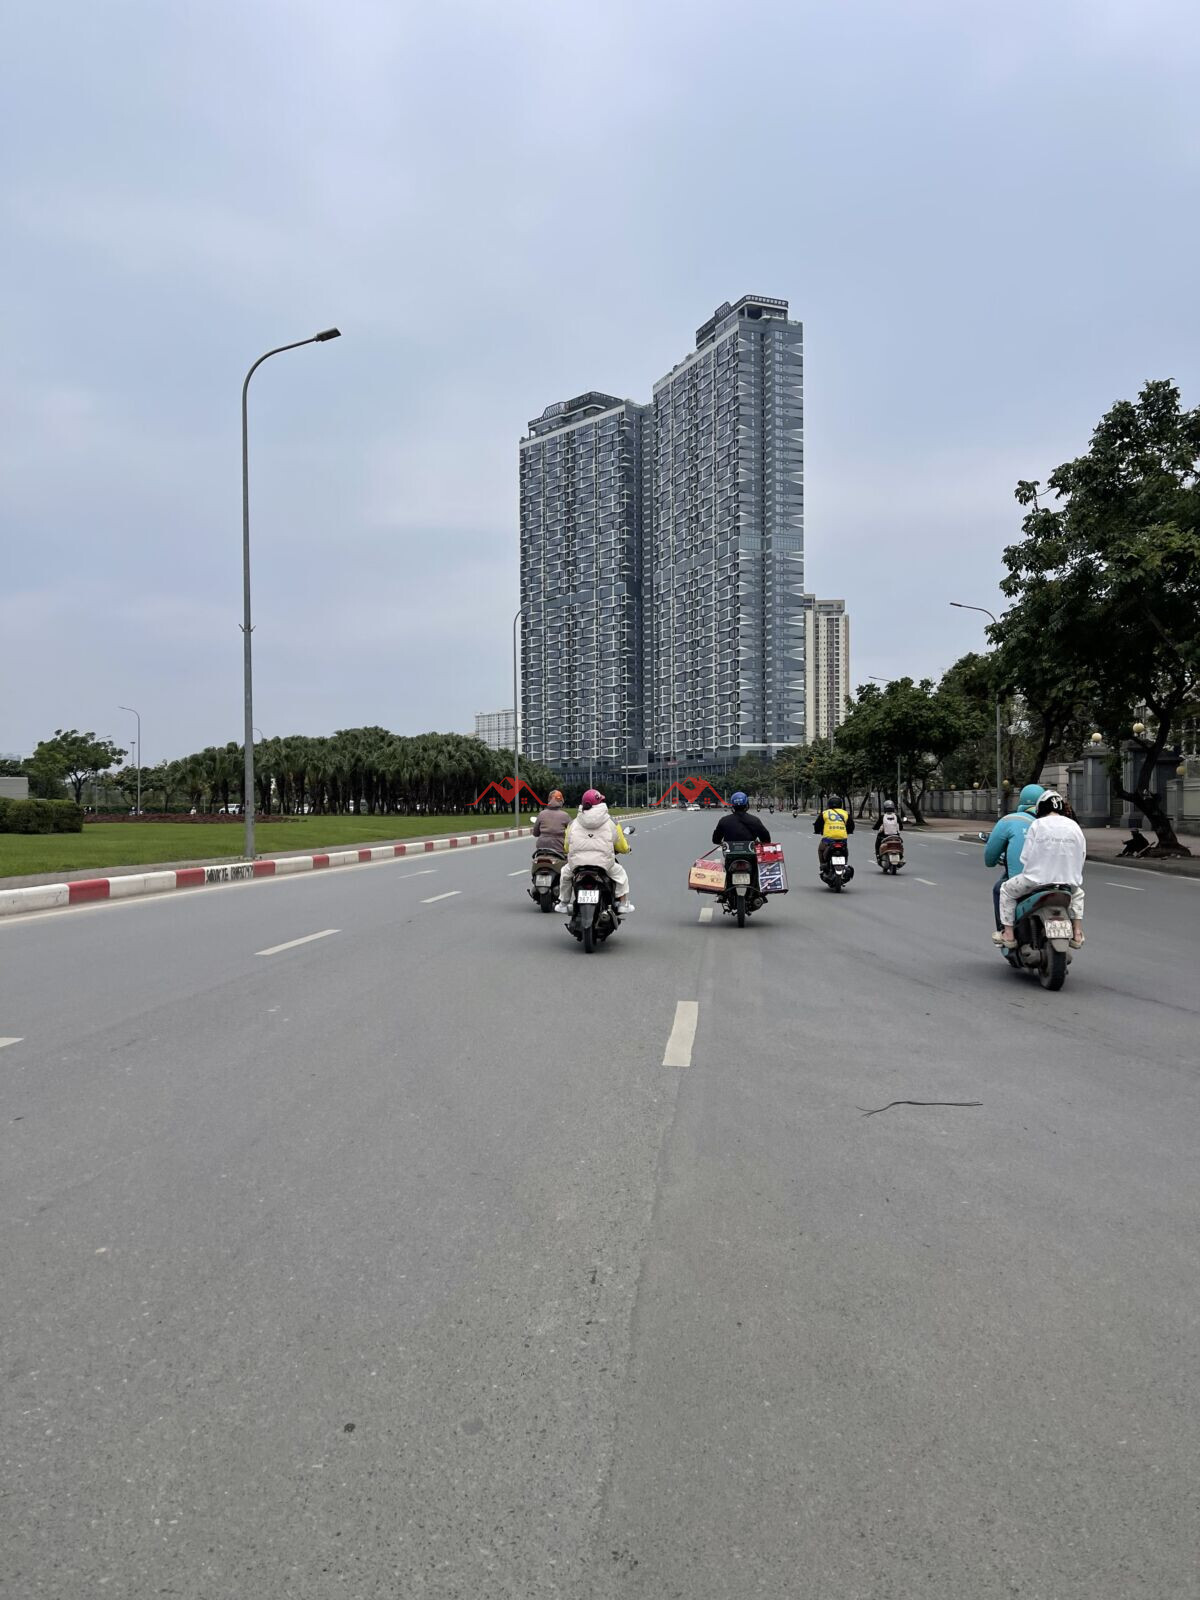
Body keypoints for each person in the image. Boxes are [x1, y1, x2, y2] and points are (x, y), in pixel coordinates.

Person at [994, 790, 1086, 950]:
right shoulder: (1074, 826)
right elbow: (1082, 855)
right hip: (1067, 884)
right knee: (1078, 894)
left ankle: (1008, 934)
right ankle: (1077, 933)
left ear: (1041, 808)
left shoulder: (1037, 825)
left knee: (1006, 890)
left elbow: (1025, 857)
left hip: (1036, 881)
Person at [556, 789, 634, 913]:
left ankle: (563, 903)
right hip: (604, 864)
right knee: (621, 875)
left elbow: (566, 847)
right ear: (600, 803)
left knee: (565, 874)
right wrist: (626, 849)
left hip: (577, 864)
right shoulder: (611, 822)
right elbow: (620, 845)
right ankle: (623, 904)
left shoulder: (573, 823)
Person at [983, 783, 1045, 931]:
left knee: (999, 889)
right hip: (1058, 880)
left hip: (1026, 882)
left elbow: (989, 860)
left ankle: (1005, 932)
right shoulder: (1055, 822)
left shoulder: (1009, 820)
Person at [813, 796, 854, 867]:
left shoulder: (825, 813)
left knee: (821, 850)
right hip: (842, 839)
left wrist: (817, 831)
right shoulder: (845, 813)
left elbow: (817, 824)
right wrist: (849, 831)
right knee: (845, 850)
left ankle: (823, 864)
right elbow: (851, 825)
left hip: (828, 840)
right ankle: (845, 864)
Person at [531, 789, 569, 857]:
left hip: (541, 849)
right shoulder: (565, 816)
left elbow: (535, 833)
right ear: (561, 801)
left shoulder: (541, 814)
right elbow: (572, 831)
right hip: (559, 849)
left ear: (549, 800)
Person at [873, 798, 902, 864]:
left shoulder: (882, 817)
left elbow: (876, 826)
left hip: (884, 837)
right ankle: (901, 856)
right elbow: (901, 827)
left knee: (877, 843)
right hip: (895, 837)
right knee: (900, 844)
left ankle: (878, 855)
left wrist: (874, 828)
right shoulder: (896, 816)